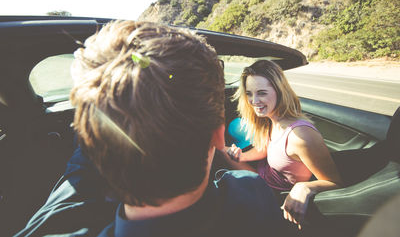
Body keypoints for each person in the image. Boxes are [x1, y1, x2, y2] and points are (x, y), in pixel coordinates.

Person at [15, 21, 287, 237]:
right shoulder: (251, 193)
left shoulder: (56, 224)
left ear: (93, 147)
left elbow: (79, 172)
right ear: (218, 133)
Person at [223, 59, 342, 230]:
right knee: (219, 148)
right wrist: (244, 156)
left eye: (262, 93)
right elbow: (268, 148)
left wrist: (305, 187)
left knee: (215, 147)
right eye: (249, 93)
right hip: (261, 178)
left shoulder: (300, 136)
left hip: (270, 197)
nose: (254, 100)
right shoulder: (274, 120)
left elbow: (336, 183)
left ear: (279, 91)